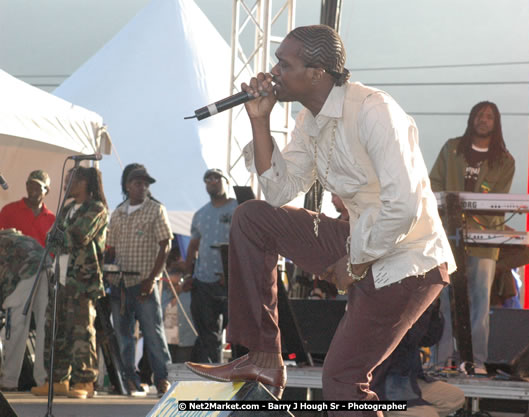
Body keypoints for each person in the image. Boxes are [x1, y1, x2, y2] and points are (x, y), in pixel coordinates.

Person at [185, 25, 455, 416]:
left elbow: (405, 206)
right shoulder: (309, 121)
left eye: (284, 63)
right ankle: (262, 356)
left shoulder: (374, 110)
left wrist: (356, 261)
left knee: (342, 381)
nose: (273, 72)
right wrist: (259, 121)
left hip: (409, 261)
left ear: (317, 73)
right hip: (359, 242)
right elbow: (279, 192)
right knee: (252, 218)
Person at [429, 101, 515, 372]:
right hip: (447, 238)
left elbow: (497, 202)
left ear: (496, 123)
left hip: (483, 242)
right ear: (471, 119)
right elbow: (434, 186)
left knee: (480, 299)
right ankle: (439, 362)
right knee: (441, 299)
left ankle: (475, 362)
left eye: (489, 116)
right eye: (479, 114)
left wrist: (469, 219)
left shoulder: (504, 160)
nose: (483, 119)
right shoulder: (452, 148)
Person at [31, 166, 108, 399]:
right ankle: (57, 379)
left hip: (81, 280)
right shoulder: (66, 210)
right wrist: (60, 236)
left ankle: (85, 381)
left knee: (81, 331)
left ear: (84, 182)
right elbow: (50, 239)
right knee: (55, 330)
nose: (67, 184)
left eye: (71, 179)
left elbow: (78, 235)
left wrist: (60, 235)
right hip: (60, 277)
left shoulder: (96, 208)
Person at [106, 164, 173, 397]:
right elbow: (110, 248)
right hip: (119, 284)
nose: (143, 187)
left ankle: (163, 379)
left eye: (146, 184)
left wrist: (152, 278)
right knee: (123, 336)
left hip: (144, 282)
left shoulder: (156, 210)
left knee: (153, 334)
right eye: (138, 183)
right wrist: (107, 272)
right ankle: (129, 379)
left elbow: (166, 245)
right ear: (127, 186)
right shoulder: (117, 212)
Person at [371, 299, 465, 417]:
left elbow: (429, 339)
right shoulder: (392, 300)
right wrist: (424, 302)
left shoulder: (417, 299)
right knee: (428, 415)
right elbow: (408, 338)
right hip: (386, 385)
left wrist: (433, 306)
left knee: (454, 398)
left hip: (408, 380)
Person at [184, 168, 237, 363]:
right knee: (208, 332)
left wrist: (232, 273)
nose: (212, 182)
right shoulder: (200, 214)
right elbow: (193, 247)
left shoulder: (238, 209)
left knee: (237, 331)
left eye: (217, 178)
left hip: (232, 282)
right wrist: (188, 276)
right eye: (208, 179)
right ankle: (213, 372)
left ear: (226, 182)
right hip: (204, 280)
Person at [0, 229, 51, 391]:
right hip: (45, 265)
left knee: (15, 326)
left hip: (25, 273)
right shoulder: (14, 236)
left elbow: (6, 279)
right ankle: (43, 380)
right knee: (44, 326)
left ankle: (9, 381)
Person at [0, 170, 55, 247]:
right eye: (31, 185)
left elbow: (52, 251)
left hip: (41, 259)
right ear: (26, 185)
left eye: (37, 187)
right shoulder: (9, 210)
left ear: (47, 190)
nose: (33, 191)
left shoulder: (51, 219)